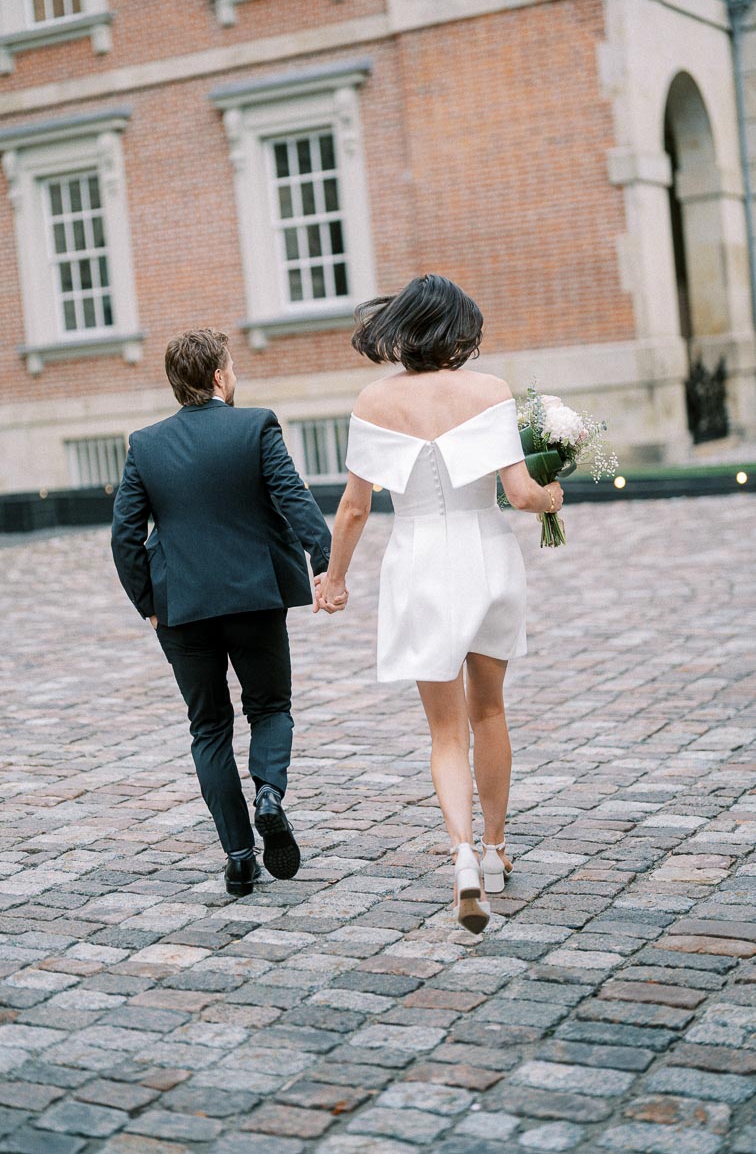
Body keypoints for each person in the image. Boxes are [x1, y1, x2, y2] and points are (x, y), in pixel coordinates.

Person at [314, 275, 563, 934]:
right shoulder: (490, 393)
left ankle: (461, 858)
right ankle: (496, 848)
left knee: (444, 731)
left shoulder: (373, 399)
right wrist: (552, 497)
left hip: (419, 563)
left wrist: (334, 580)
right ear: (460, 330)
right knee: (489, 710)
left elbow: (355, 508)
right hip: (486, 557)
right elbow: (519, 492)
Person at [111, 328, 333, 897]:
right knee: (270, 706)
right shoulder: (255, 425)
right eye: (231, 368)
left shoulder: (145, 444)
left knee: (208, 727)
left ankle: (238, 857)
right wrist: (325, 559)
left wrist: (149, 607)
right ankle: (269, 794)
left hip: (181, 610)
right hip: (255, 596)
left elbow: (124, 537)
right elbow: (292, 495)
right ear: (217, 377)